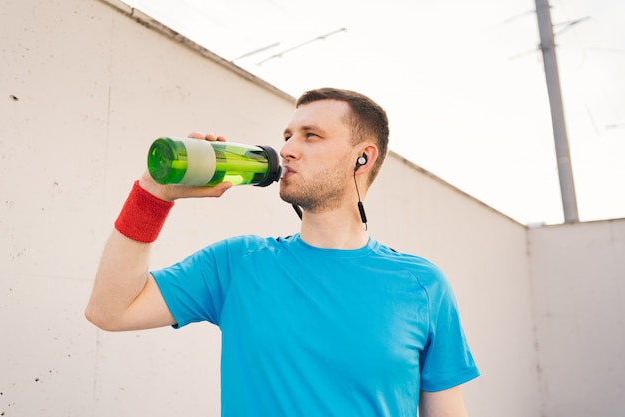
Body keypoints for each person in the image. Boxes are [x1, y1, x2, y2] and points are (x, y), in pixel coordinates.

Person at [86, 87, 479, 416]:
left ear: (363, 157)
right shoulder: (238, 264)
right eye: (288, 135)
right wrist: (153, 193)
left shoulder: (422, 285)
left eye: (311, 135)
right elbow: (110, 310)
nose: (287, 149)